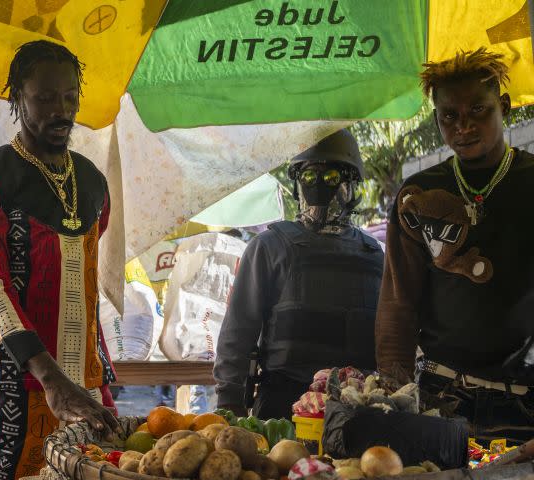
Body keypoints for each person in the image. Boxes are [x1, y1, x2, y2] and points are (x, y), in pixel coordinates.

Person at [0, 40, 120, 480]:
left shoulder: (94, 183)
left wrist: (84, 378)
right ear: (18, 99)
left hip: (86, 380)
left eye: (70, 97)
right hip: (17, 381)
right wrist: (50, 378)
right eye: (46, 98)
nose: (62, 110)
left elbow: (88, 278)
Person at [376, 48, 534, 444]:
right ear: (436, 120)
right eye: (449, 116)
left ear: (505, 107)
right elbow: (398, 305)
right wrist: (394, 401)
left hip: (525, 402)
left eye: (478, 110)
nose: (463, 125)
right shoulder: (418, 195)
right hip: (439, 400)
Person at [214, 130, 385, 420]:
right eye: (308, 176)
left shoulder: (374, 255)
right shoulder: (270, 247)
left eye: (331, 177)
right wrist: (229, 402)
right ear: (296, 184)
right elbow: (237, 332)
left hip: (357, 408)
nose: (318, 184)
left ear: (351, 186)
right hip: (284, 405)